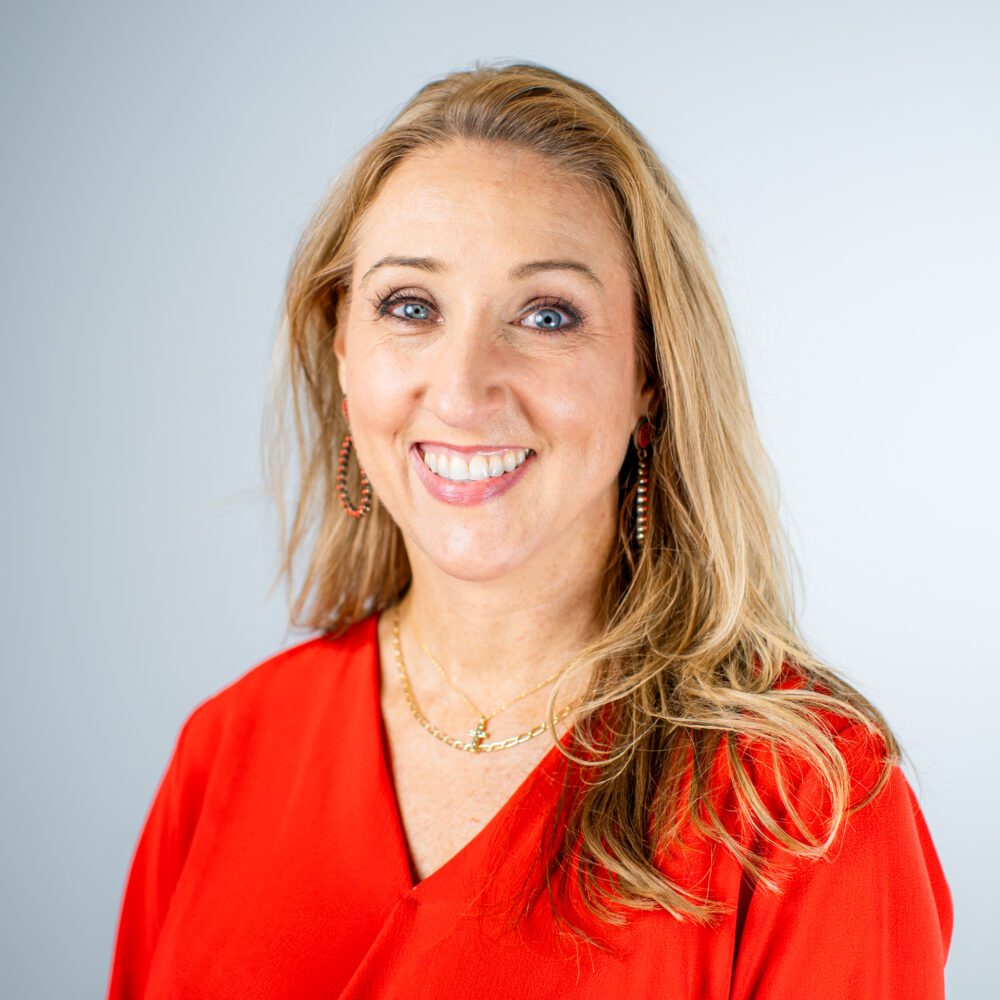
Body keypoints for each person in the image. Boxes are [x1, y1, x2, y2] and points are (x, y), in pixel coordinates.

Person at [106, 61, 953, 999]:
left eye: (547, 315)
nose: (464, 389)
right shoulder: (227, 749)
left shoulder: (799, 799)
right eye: (411, 307)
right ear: (342, 349)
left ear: (649, 375)